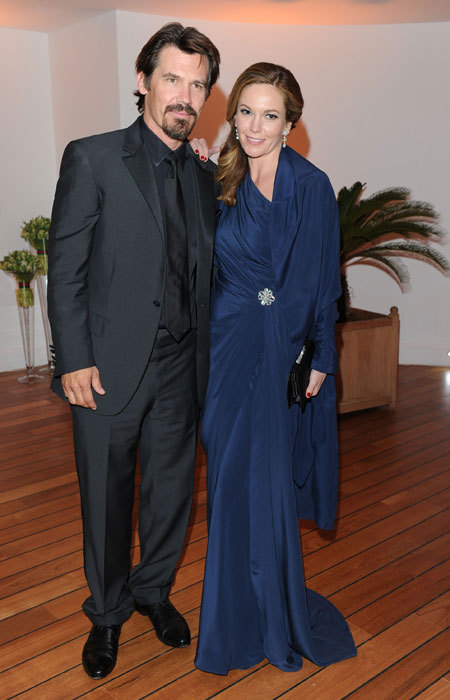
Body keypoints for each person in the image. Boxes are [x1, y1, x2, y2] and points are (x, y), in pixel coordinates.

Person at [48, 22, 220, 680]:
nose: (184, 93)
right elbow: (64, 268)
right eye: (172, 78)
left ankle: (153, 593)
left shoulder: (202, 173)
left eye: (197, 84)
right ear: (143, 81)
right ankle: (109, 613)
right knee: (106, 501)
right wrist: (73, 358)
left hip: (183, 365)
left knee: (172, 494)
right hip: (106, 365)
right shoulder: (92, 157)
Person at [194, 63, 357, 675]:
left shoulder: (309, 185)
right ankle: (234, 610)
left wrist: (320, 353)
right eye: (246, 112)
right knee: (228, 481)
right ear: (232, 116)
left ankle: (269, 613)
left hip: (280, 350)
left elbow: (322, 280)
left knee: (263, 482)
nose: (256, 126)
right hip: (225, 346)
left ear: (291, 124)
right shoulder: (218, 178)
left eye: (270, 115)